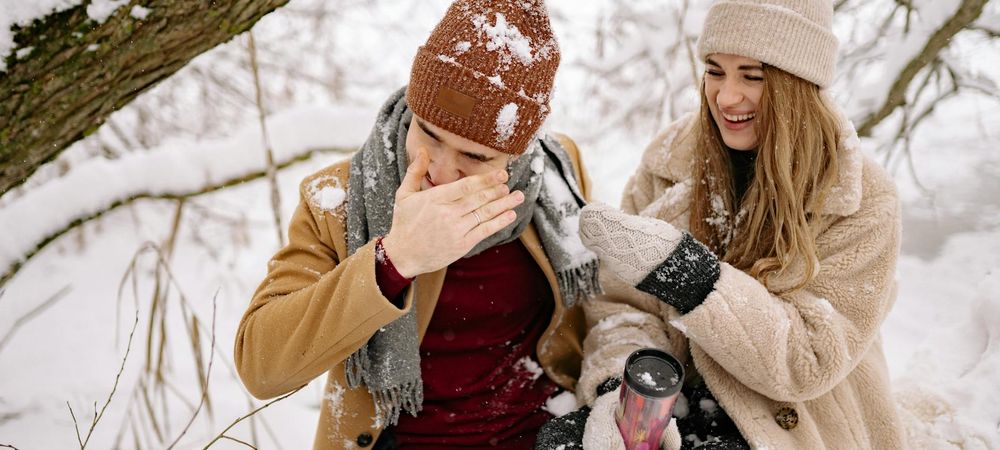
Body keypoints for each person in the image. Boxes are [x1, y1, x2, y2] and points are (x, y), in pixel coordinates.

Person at [534, 0, 906, 449]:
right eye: (715, 70)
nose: (727, 97)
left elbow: (807, 361)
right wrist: (626, 393)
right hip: (680, 404)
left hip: (795, 422)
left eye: (753, 76)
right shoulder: (672, 158)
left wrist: (695, 280)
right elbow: (621, 307)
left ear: (799, 83)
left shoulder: (860, 198)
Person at [234, 1, 600, 449]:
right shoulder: (338, 200)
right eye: (428, 133)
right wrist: (394, 259)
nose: (441, 172)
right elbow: (261, 366)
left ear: (518, 153)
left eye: (476, 156)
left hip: (542, 432)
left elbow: (608, 308)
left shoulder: (557, 174)